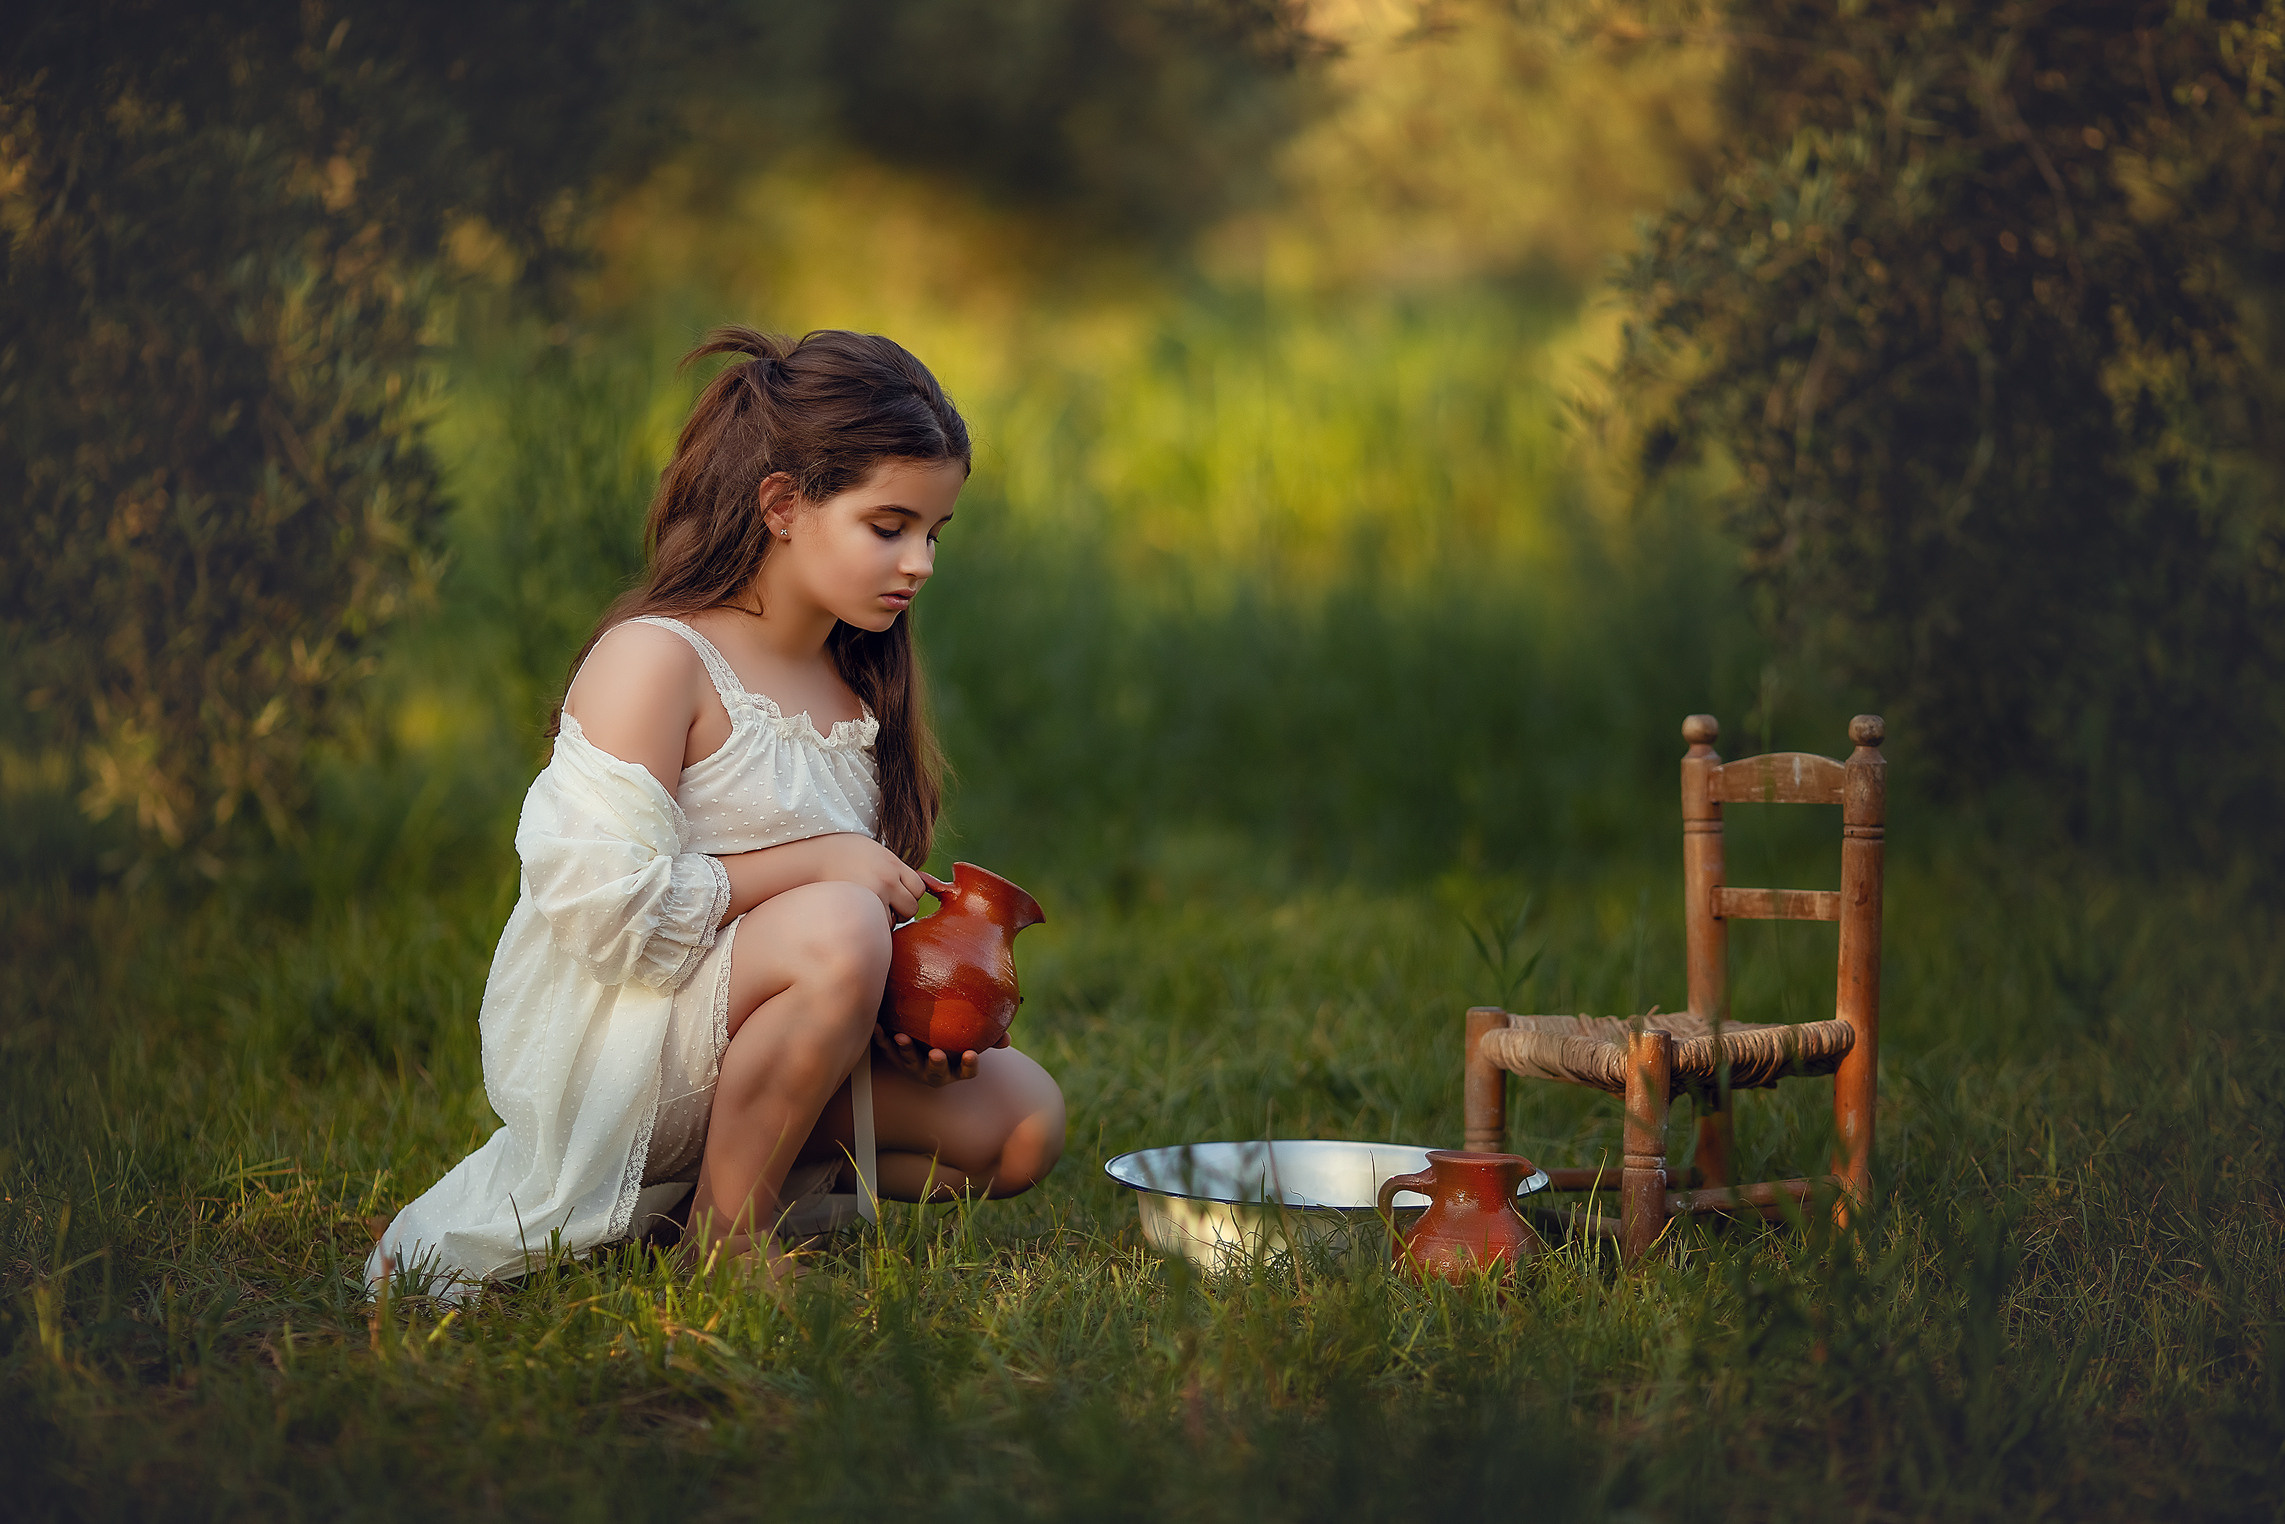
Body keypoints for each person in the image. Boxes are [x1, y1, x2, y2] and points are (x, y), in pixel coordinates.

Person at [368, 328, 1066, 1294]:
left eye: (933, 534)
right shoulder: (659, 661)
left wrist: (905, 1023)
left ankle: (714, 1193)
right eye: (888, 525)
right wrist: (825, 867)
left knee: (1024, 1125)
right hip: (624, 1052)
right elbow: (605, 913)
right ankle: (723, 1244)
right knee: (838, 923)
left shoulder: (857, 683)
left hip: (760, 1038)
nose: (920, 564)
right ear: (782, 504)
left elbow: (832, 929)